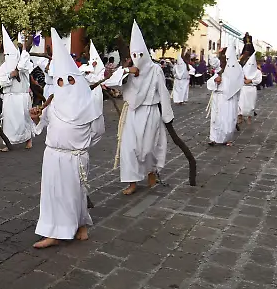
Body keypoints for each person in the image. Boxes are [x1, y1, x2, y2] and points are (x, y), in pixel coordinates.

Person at [31, 29, 105, 249]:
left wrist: (81, 147)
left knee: (75, 194)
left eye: (70, 79)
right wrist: (35, 118)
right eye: (61, 81)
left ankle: (80, 224)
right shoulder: (53, 103)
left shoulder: (89, 104)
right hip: (52, 155)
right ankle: (54, 231)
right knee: (53, 193)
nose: (65, 84)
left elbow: (97, 132)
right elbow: (42, 124)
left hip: (75, 157)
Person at [118, 22, 173, 195]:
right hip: (132, 113)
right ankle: (132, 181)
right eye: (134, 55)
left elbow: (163, 92)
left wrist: (167, 115)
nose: (138, 58)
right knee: (129, 148)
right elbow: (111, 82)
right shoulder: (127, 71)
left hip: (150, 113)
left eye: (140, 54)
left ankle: (151, 172)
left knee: (148, 147)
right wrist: (126, 71)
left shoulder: (155, 70)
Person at [0, 26, 34, 151]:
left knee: (24, 119)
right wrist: (10, 76)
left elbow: (23, 66)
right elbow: (0, 81)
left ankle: (28, 139)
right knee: (9, 122)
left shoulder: (24, 62)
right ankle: (8, 143)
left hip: (21, 96)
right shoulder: (4, 67)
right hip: (9, 97)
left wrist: (24, 49)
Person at [209, 44, 245, 146]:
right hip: (218, 97)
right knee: (216, 118)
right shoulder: (219, 70)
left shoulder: (236, 68)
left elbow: (238, 81)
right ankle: (214, 138)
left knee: (227, 119)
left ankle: (227, 138)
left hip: (229, 99)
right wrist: (215, 81)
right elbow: (211, 81)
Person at [238, 48, 261, 122]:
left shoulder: (257, 72)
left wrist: (251, 81)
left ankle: (249, 117)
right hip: (243, 88)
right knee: (241, 103)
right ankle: (240, 117)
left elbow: (259, 80)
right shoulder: (242, 70)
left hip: (251, 89)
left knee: (251, 104)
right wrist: (243, 80)